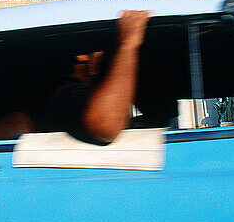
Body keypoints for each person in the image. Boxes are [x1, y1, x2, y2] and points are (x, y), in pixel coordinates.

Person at [38, 9, 150, 144]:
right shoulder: (67, 93)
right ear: (81, 54)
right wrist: (127, 45)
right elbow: (106, 125)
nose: (111, 53)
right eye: (106, 46)